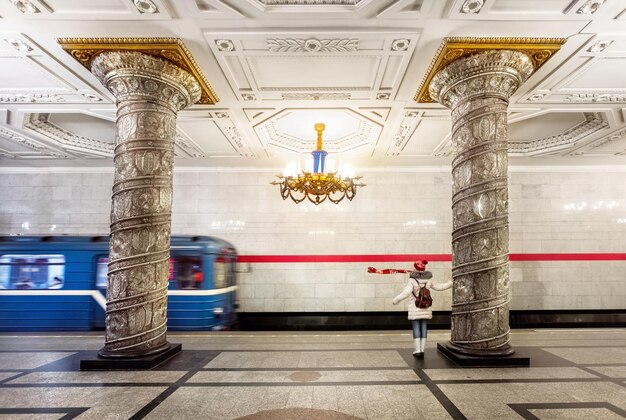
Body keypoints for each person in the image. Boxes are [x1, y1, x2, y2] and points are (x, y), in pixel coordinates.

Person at [391, 261, 452, 357]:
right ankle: (422, 349)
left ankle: (417, 350)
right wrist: (450, 283)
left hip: (415, 307)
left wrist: (396, 300)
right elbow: (440, 287)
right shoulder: (429, 279)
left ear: (416, 268)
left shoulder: (412, 280)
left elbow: (406, 293)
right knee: (424, 326)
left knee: (416, 327)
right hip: (426, 306)